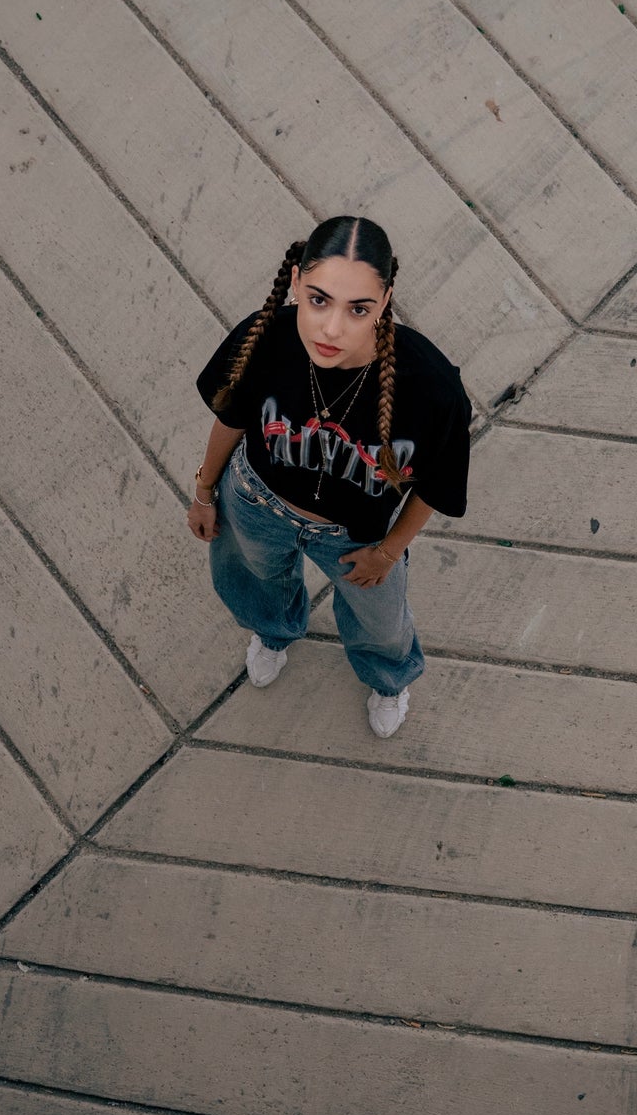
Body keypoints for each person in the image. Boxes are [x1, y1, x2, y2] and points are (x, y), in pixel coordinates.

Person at [188, 215, 472, 738]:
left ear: (385, 300)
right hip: (254, 501)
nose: (332, 329)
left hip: (356, 535)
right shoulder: (265, 340)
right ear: (295, 282)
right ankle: (274, 633)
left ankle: (389, 679)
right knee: (256, 583)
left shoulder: (431, 388)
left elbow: (436, 485)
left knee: (381, 621)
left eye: (358, 308)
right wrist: (205, 491)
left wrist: (387, 552)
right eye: (318, 300)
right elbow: (230, 417)